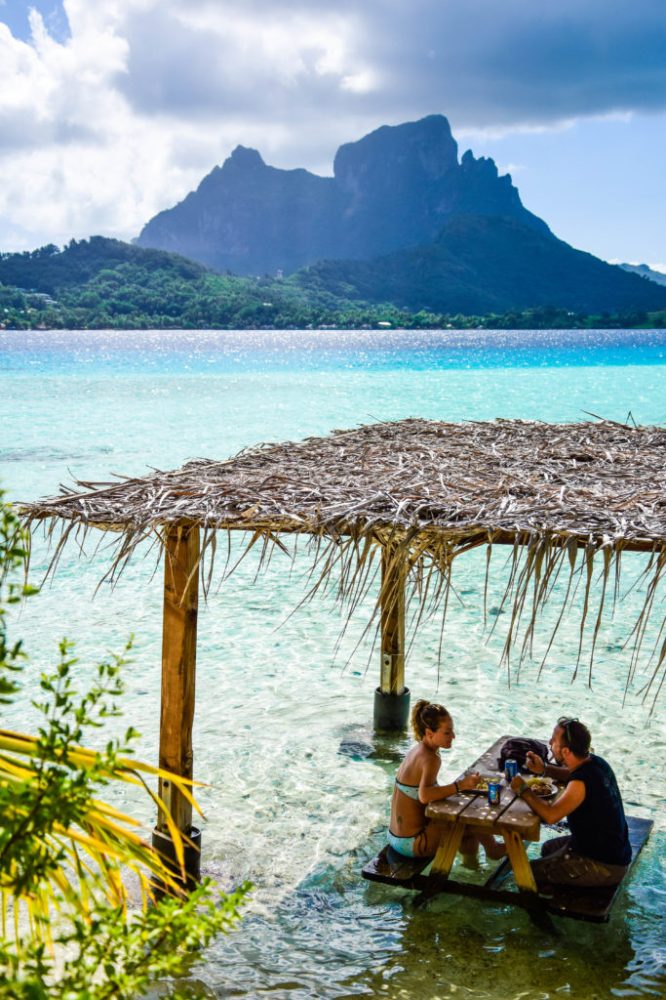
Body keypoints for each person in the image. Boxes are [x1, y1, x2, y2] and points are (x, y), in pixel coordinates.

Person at [510, 716, 632, 887]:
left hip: (605, 866)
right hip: (613, 850)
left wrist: (523, 790)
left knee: (524, 874)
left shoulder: (580, 783)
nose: (550, 742)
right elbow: (569, 774)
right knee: (547, 848)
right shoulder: (596, 763)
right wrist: (544, 769)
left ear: (566, 751)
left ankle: (548, 906)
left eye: (554, 740)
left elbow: (551, 816)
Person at [388, 699, 506, 861]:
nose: (453, 736)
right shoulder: (430, 759)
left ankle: (471, 865)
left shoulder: (417, 750)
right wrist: (461, 785)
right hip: (415, 843)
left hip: (397, 838)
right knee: (469, 815)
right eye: (447, 732)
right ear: (429, 733)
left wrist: (460, 787)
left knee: (465, 825)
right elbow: (425, 796)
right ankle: (492, 850)